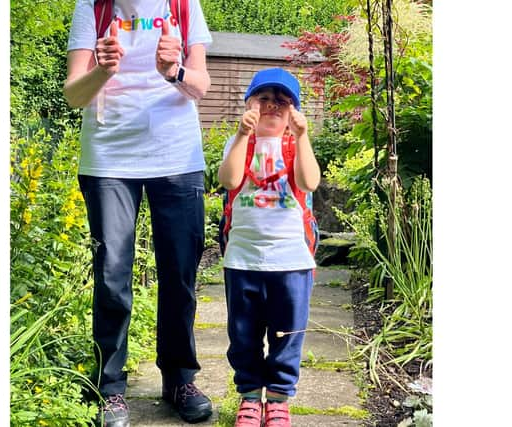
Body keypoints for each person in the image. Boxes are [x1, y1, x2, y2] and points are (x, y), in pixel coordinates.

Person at [63, 1, 213, 426]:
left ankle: (180, 379)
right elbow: (74, 94)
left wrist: (175, 72)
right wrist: (102, 70)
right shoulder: (94, 8)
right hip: (109, 157)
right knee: (112, 272)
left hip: (176, 155)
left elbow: (201, 85)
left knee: (180, 272)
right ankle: (110, 388)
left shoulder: (183, 5)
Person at [217, 68, 321, 427]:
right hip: (243, 258)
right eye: (264, 99)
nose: (272, 107)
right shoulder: (240, 145)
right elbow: (229, 179)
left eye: (282, 101)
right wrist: (241, 135)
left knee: (288, 333)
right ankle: (249, 396)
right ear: (249, 105)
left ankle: (277, 398)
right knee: (243, 334)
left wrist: (303, 135)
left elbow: (309, 182)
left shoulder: (295, 145)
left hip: (291, 259)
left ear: (293, 112)